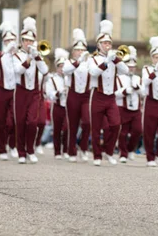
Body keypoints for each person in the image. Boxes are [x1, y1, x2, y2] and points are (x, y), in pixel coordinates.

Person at [88, 20, 129, 166]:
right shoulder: (93, 59)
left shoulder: (113, 59)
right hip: (97, 96)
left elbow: (126, 70)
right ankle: (97, 156)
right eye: (105, 43)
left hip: (111, 97)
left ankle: (109, 151)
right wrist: (106, 62)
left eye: (109, 43)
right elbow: (93, 72)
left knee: (116, 124)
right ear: (99, 45)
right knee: (96, 128)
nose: (108, 46)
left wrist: (116, 60)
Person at [12, 17, 48, 164]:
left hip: (34, 93)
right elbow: (18, 70)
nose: (28, 43)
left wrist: (37, 57)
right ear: (22, 41)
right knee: (20, 122)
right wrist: (28, 59)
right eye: (26, 40)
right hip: (20, 92)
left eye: (31, 41)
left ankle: (30, 150)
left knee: (32, 122)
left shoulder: (36, 55)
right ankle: (21, 152)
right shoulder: (16, 55)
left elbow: (45, 70)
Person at [0, 21, 19, 160]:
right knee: (0, 120)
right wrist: (6, 51)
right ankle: (2, 149)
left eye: (12, 40)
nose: (10, 42)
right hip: (1, 90)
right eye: (7, 40)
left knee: (13, 120)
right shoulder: (0, 55)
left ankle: (13, 145)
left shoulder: (20, 55)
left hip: (16, 91)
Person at [62, 28, 90, 163]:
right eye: (78, 50)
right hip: (73, 95)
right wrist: (78, 62)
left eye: (82, 50)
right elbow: (66, 70)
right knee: (72, 125)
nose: (80, 52)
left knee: (87, 122)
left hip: (86, 96)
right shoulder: (69, 62)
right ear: (73, 52)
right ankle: (71, 151)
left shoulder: (90, 62)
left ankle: (83, 148)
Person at [142, 36, 158, 167]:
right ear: (152, 58)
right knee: (149, 131)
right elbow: (145, 82)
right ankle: (150, 157)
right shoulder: (146, 69)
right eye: (156, 57)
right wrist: (156, 70)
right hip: (150, 102)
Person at [116, 46, 143, 163]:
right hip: (123, 107)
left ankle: (131, 149)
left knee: (138, 130)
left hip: (136, 108)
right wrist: (124, 91)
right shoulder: (119, 78)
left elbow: (144, 93)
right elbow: (114, 94)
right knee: (123, 132)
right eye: (129, 66)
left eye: (133, 66)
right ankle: (123, 153)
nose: (131, 68)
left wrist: (137, 89)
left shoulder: (138, 78)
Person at [46, 49, 70, 160]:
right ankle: (57, 151)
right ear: (57, 67)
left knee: (66, 129)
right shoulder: (52, 79)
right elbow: (49, 94)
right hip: (57, 106)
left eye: (64, 66)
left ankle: (65, 150)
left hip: (68, 107)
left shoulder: (70, 78)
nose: (62, 69)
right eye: (60, 66)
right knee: (57, 129)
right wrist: (59, 92)